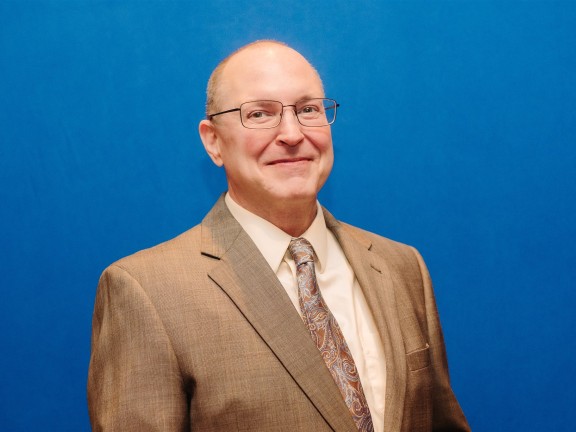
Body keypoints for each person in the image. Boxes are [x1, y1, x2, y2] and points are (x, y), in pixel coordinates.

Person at [87, 40, 470, 432]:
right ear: (213, 141)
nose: (291, 133)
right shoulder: (147, 291)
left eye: (308, 109)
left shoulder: (402, 267)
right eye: (259, 114)